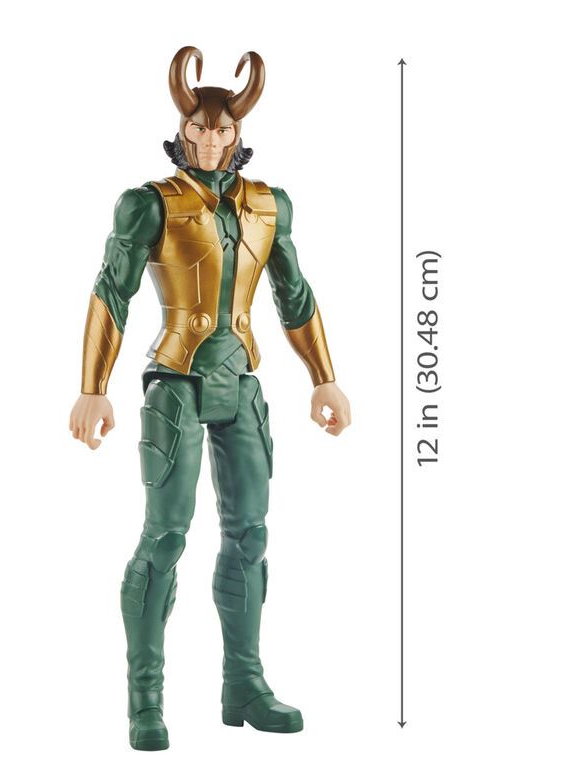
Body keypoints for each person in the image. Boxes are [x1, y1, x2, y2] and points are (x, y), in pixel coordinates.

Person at [69, 46, 351, 751]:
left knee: (250, 534)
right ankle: (145, 701)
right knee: (165, 537)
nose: (210, 138)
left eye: (222, 129)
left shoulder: (267, 205)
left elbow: (294, 294)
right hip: (175, 383)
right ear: (183, 128)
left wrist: (323, 375)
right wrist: (92, 389)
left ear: (237, 132)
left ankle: (243, 685)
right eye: (199, 127)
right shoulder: (149, 203)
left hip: (242, 383)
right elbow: (111, 291)